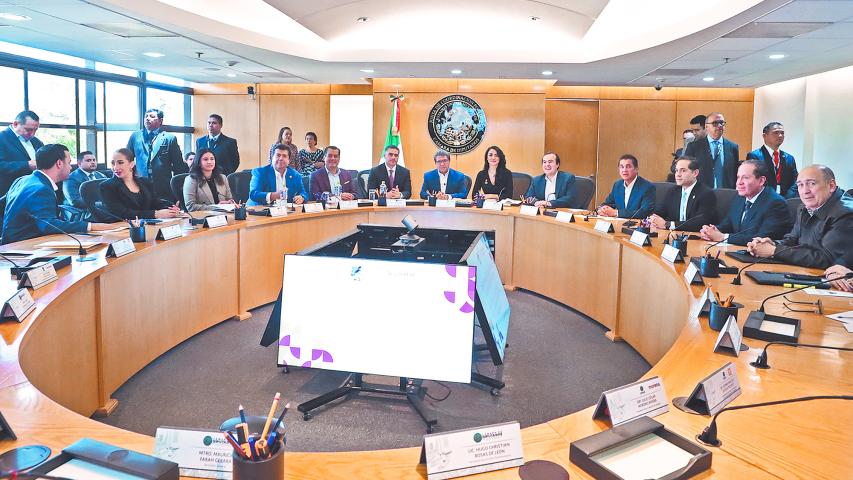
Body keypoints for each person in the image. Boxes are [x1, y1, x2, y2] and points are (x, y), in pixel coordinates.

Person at [2, 144, 118, 245]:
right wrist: (91, 226)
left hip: (10, 243)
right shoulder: (41, 189)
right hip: (25, 247)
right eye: (69, 163)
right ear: (59, 163)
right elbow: (48, 225)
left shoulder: (22, 180)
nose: (70, 167)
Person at [747, 164, 852, 269]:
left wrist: (774, 251)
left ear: (831, 186)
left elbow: (827, 259)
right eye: (800, 185)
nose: (805, 191)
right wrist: (771, 244)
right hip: (805, 271)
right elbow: (793, 240)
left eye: (811, 183)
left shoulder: (845, 214)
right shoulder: (806, 207)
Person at [699, 160, 791, 245]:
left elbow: (761, 239)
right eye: (738, 177)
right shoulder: (740, 197)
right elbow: (729, 224)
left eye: (745, 178)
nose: (739, 182)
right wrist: (713, 231)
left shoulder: (776, 204)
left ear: (761, 181)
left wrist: (723, 237)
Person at [99, 148, 183, 220]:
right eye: (113, 163)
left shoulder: (145, 182)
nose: (115, 167)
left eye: (120, 163)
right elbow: (122, 213)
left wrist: (170, 209)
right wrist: (155, 214)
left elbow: (155, 203)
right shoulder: (107, 186)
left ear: (131, 164)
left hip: (148, 225)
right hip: (124, 229)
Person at [126, 108, 187, 202]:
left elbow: (178, 166)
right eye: (146, 116)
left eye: (152, 116)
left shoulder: (169, 138)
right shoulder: (135, 136)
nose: (147, 118)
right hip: (141, 185)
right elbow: (127, 159)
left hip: (163, 187)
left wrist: (179, 190)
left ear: (160, 121)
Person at [649, 157, 717, 232]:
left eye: (683, 171)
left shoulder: (706, 194)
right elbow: (660, 212)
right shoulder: (673, 191)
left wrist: (669, 224)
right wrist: (654, 219)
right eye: (676, 170)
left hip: (695, 238)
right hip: (673, 235)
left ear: (695, 173)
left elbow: (700, 222)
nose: (678, 174)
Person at [684, 112, 739, 189]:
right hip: (702, 193)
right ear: (706, 127)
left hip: (726, 194)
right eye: (715, 123)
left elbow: (734, 173)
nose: (719, 126)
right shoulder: (694, 147)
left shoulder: (732, 147)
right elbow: (688, 171)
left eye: (722, 123)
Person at [746, 122, 798, 199]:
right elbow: (754, 181)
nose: (780, 136)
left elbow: (796, 181)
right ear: (764, 136)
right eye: (776, 133)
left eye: (782, 133)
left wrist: (788, 197)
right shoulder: (755, 156)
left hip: (786, 200)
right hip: (764, 200)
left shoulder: (789, 158)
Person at [0, 110, 43, 197]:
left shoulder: (37, 141)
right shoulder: (2, 138)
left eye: (35, 130)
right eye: (28, 130)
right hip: (10, 193)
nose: (32, 134)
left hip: (35, 190)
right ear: (15, 124)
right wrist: (27, 165)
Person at [598, 154, 655, 219]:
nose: (624, 170)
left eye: (628, 167)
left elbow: (644, 213)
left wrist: (615, 213)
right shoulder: (617, 185)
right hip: (618, 224)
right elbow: (607, 204)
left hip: (636, 226)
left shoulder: (647, 187)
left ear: (636, 169)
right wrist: (602, 209)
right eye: (621, 167)